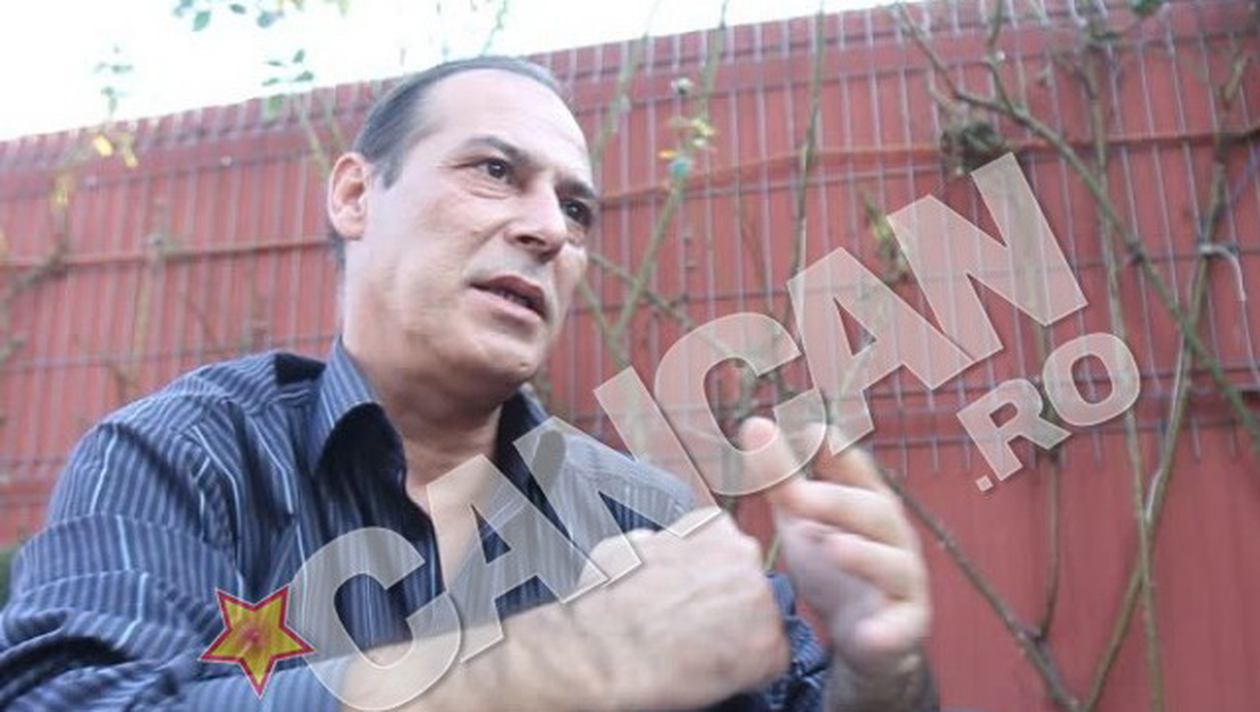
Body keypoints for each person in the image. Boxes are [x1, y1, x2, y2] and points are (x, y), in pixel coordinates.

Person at [0, 56, 936, 711]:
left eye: (576, 208)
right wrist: (562, 667)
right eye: (494, 171)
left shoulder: (645, 522)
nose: (550, 230)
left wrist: (878, 670)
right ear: (356, 196)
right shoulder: (187, 456)